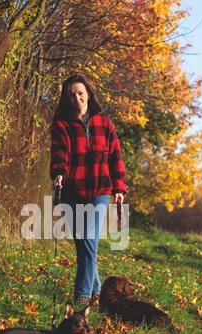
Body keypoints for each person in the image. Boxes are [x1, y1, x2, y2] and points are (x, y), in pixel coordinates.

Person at [50, 74, 127, 307]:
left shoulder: (105, 124)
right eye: (71, 95)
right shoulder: (62, 124)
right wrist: (59, 173)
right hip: (73, 191)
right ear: (67, 99)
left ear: (88, 94)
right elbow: (60, 152)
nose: (77, 98)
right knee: (83, 245)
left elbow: (115, 156)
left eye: (80, 93)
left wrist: (119, 187)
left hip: (100, 189)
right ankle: (99, 292)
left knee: (89, 241)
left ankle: (82, 297)